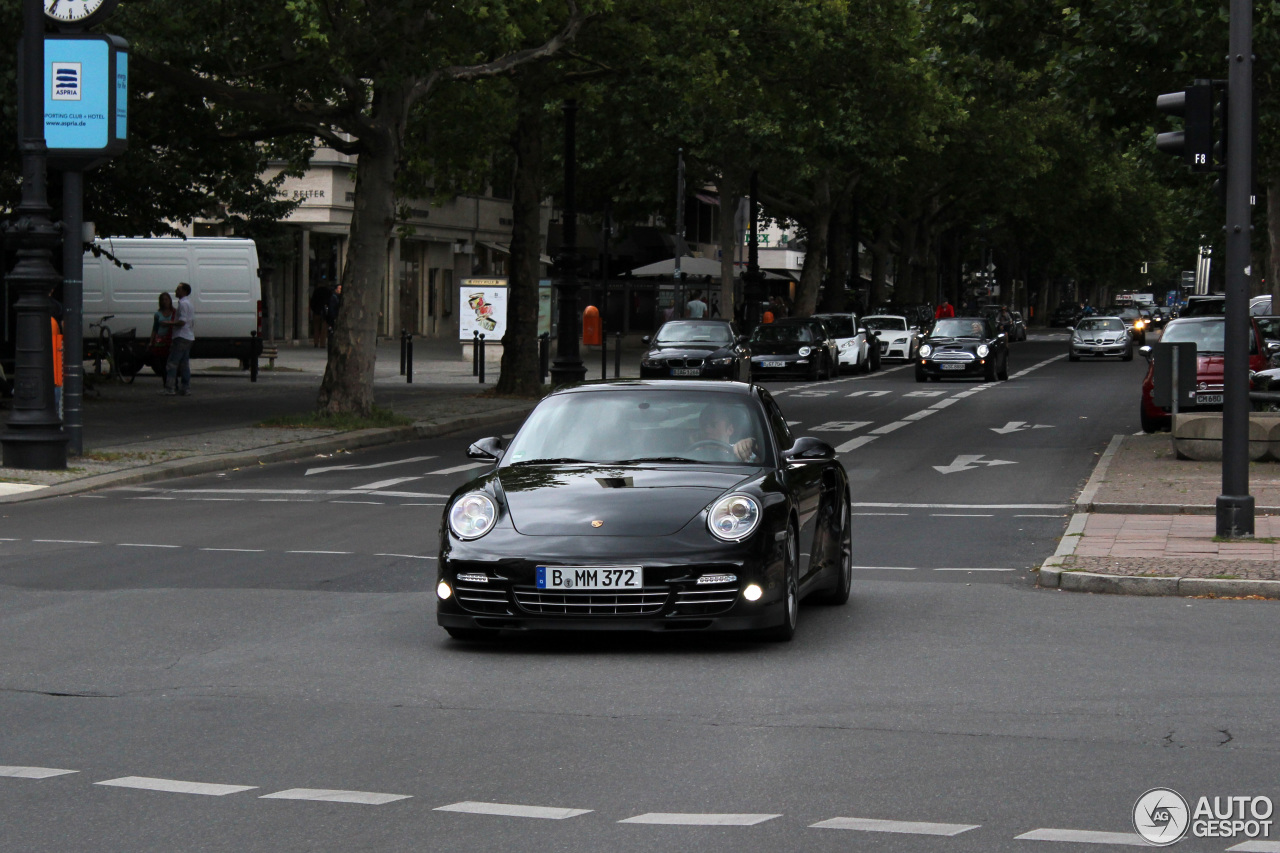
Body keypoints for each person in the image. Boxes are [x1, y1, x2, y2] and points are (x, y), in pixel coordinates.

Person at [693, 404, 760, 462]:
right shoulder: (693, 455)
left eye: (713, 425)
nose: (707, 430)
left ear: (730, 430)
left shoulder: (742, 452)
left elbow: (764, 461)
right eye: (703, 425)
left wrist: (753, 444)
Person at [162, 282, 195, 396]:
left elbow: (182, 321)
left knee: (172, 363)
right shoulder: (189, 303)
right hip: (188, 336)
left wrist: (169, 323)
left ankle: (170, 388)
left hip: (181, 336)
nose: (176, 291)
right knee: (184, 364)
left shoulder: (183, 304)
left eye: (178, 289)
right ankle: (185, 387)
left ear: (184, 291)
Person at [149, 292, 175, 373]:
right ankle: (165, 380)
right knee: (162, 361)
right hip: (160, 340)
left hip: (170, 339)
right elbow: (155, 328)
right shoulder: (158, 314)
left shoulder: (175, 312)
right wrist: (151, 341)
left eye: (166, 299)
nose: (164, 301)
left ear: (170, 301)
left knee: (170, 360)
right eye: (163, 300)